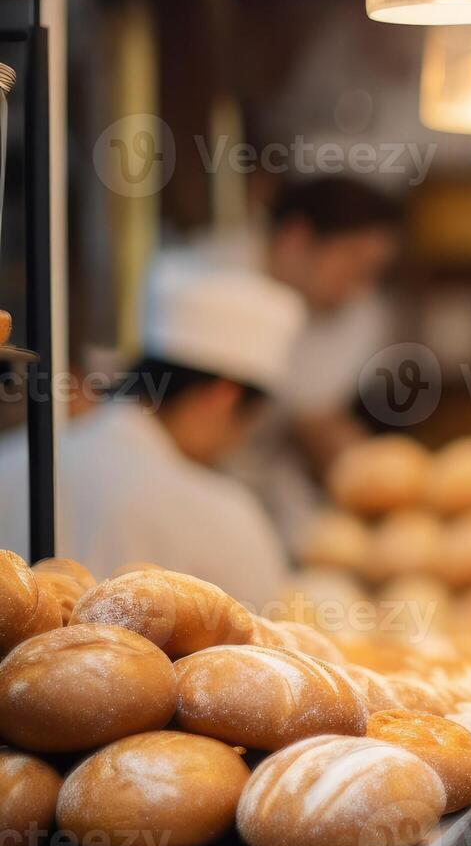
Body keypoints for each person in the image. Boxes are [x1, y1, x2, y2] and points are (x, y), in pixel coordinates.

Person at [0, 261, 306, 609]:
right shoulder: (224, 514)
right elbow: (266, 648)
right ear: (223, 396)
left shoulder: (10, 460)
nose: (238, 441)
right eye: (250, 422)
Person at [176, 177, 403, 545]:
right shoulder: (201, 280)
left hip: (268, 494)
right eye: (354, 264)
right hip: (178, 485)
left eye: (372, 273)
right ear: (297, 238)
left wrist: (381, 483)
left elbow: (318, 421)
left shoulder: (355, 316)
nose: (359, 286)